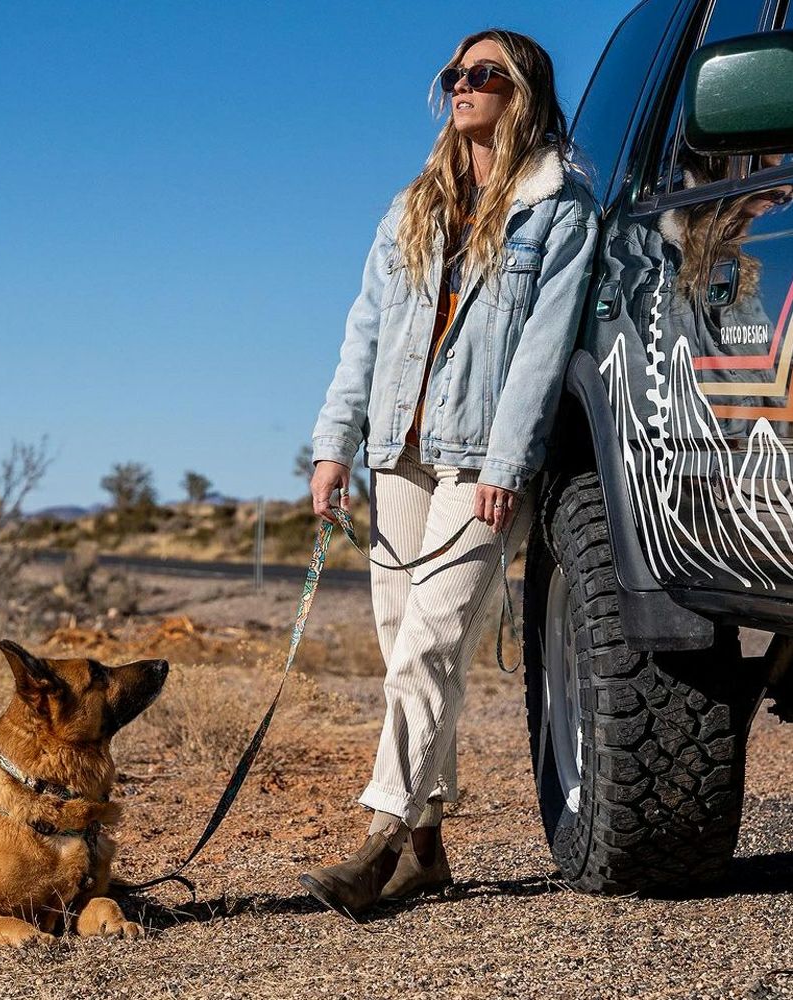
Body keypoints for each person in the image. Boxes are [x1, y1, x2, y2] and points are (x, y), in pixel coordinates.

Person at [300, 28, 599, 917]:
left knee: (431, 643)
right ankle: (429, 850)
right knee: (403, 645)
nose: (463, 85)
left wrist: (509, 461)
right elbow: (364, 333)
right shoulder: (412, 207)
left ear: (523, 93)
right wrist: (333, 444)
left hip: (483, 463)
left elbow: (544, 348)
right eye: (455, 74)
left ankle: (380, 841)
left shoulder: (559, 207)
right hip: (398, 452)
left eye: (484, 74)